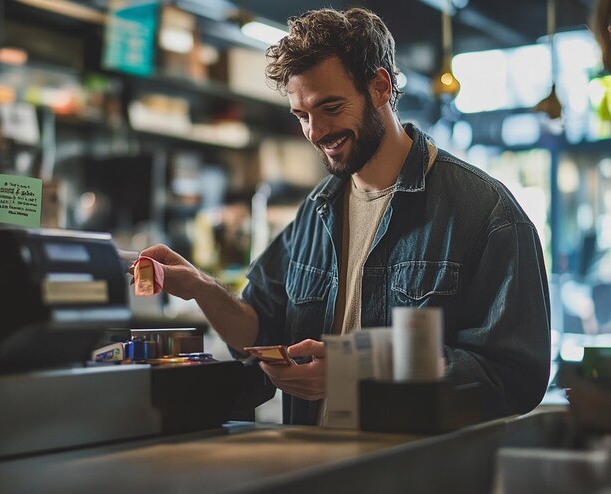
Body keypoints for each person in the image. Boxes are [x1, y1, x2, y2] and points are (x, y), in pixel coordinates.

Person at [139, 7, 551, 425]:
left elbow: (514, 378)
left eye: (330, 108)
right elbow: (259, 333)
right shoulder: (316, 212)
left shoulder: (487, 212)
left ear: (379, 87)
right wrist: (201, 287)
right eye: (302, 116)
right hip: (316, 467)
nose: (315, 132)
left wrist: (355, 372)